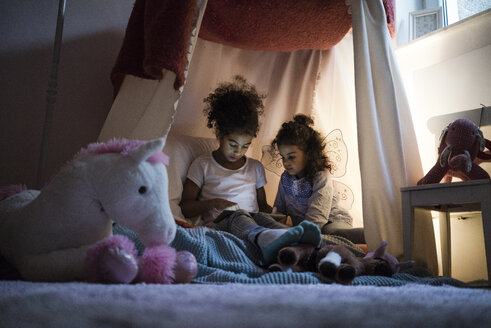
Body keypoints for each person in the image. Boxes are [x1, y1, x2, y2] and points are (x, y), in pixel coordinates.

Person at [179, 76, 321, 266]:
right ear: (219, 134)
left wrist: (276, 215)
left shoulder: (255, 167)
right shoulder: (202, 165)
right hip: (222, 224)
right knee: (238, 215)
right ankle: (265, 237)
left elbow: (262, 206)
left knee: (265, 220)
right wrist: (214, 202)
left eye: (245, 146)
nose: (238, 151)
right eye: (232, 144)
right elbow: (185, 207)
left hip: (252, 220)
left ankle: (318, 246)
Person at [271, 114, 365, 244]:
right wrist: (277, 230)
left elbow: (317, 216)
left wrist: (299, 235)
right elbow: (279, 210)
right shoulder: (285, 179)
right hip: (307, 228)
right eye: (283, 157)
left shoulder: (320, 177)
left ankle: (372, 236)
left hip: (332, 221)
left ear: (308, 154)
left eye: (291, 157)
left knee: (331, 233)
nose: (286, 162)